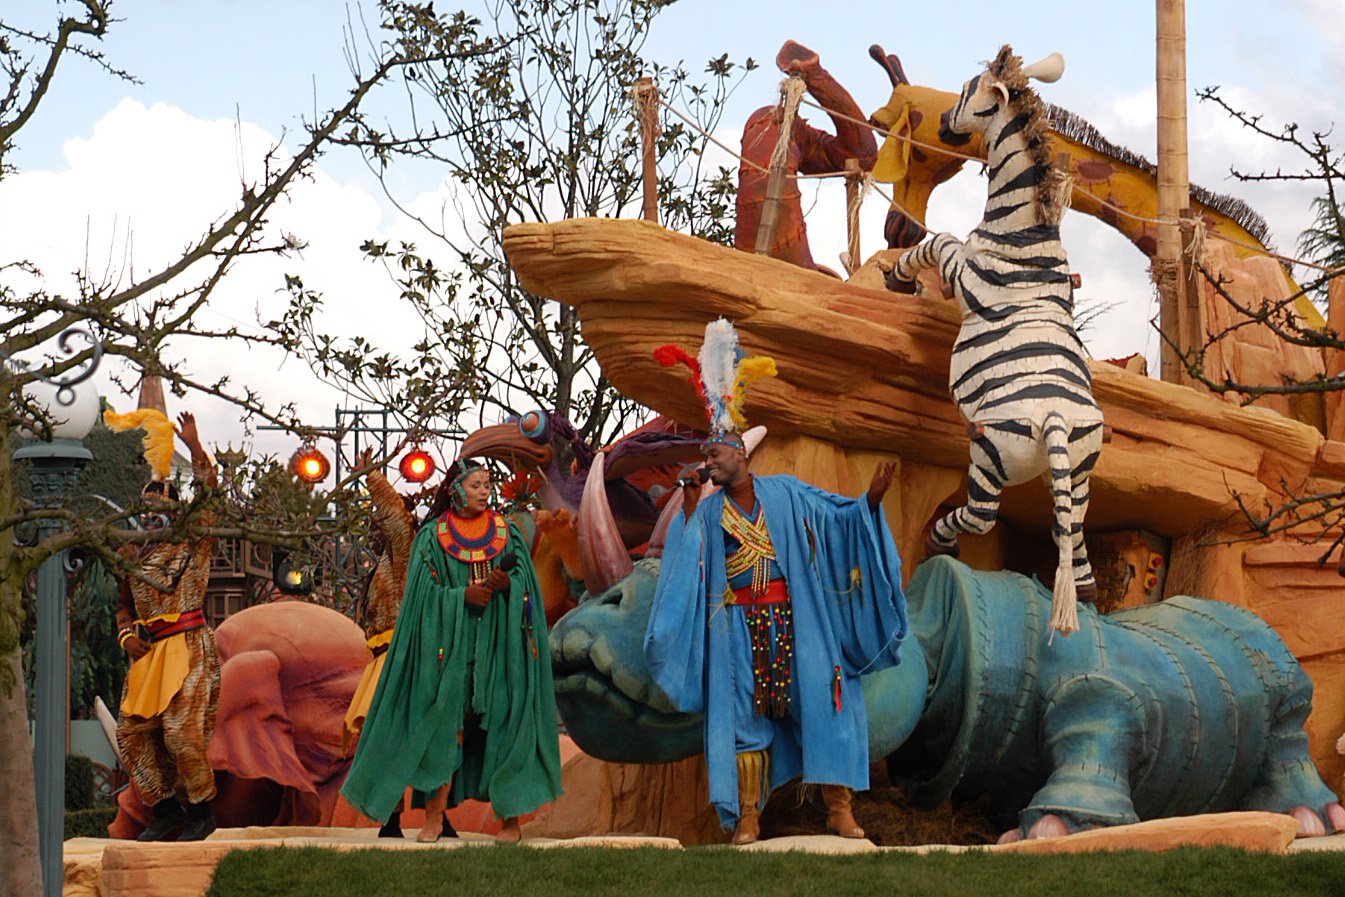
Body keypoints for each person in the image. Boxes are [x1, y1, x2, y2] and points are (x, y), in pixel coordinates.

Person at [645, 319, 907, 845]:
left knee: (824, 702)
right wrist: (690, 511)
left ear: (739, 453)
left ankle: (839, 809)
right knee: (744, 719)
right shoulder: (708, 510)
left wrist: (871, 501)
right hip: (738, 629)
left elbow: (837, 520)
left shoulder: (786, 492)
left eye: (714, 455)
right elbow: (689, 565)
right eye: (705, 457)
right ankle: (748, 818)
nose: (707, 463)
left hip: (797, 621)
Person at [340, 458, 562, 843]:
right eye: (476, 485)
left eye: (487, 484)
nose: (484, 491)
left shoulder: (507, 533)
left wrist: (508, 587)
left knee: (508, 723)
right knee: (445, 728)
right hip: (448, 653)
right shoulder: (432, 538)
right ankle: (433, 818)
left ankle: (510, 822)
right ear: (455, 491)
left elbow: (525, 584)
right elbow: (422, 596)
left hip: (498, 649)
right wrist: (462, 597)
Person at [111, 410, 221, 842]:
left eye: (161, 509)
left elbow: (209, 499)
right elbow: (123, 607)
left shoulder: (194, 542)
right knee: (131, 734)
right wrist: (126, 635)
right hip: (152, 653)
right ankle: (165, 811)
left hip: (189, 646)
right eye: (146, 510)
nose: (152, 516)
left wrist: (194, 447)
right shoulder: (134, 558)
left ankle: (201, 812)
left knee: (180, 732)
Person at [341, 448, 429, 838]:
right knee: (383, 740)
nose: (375, 528)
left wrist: (373, 477)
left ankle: (436, 819)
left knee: (412, 739)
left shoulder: (405, 551)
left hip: (402, 659)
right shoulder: (382, 566)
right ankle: (391, 819)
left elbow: (395, 519)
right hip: (382, 661)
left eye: (379, 521)